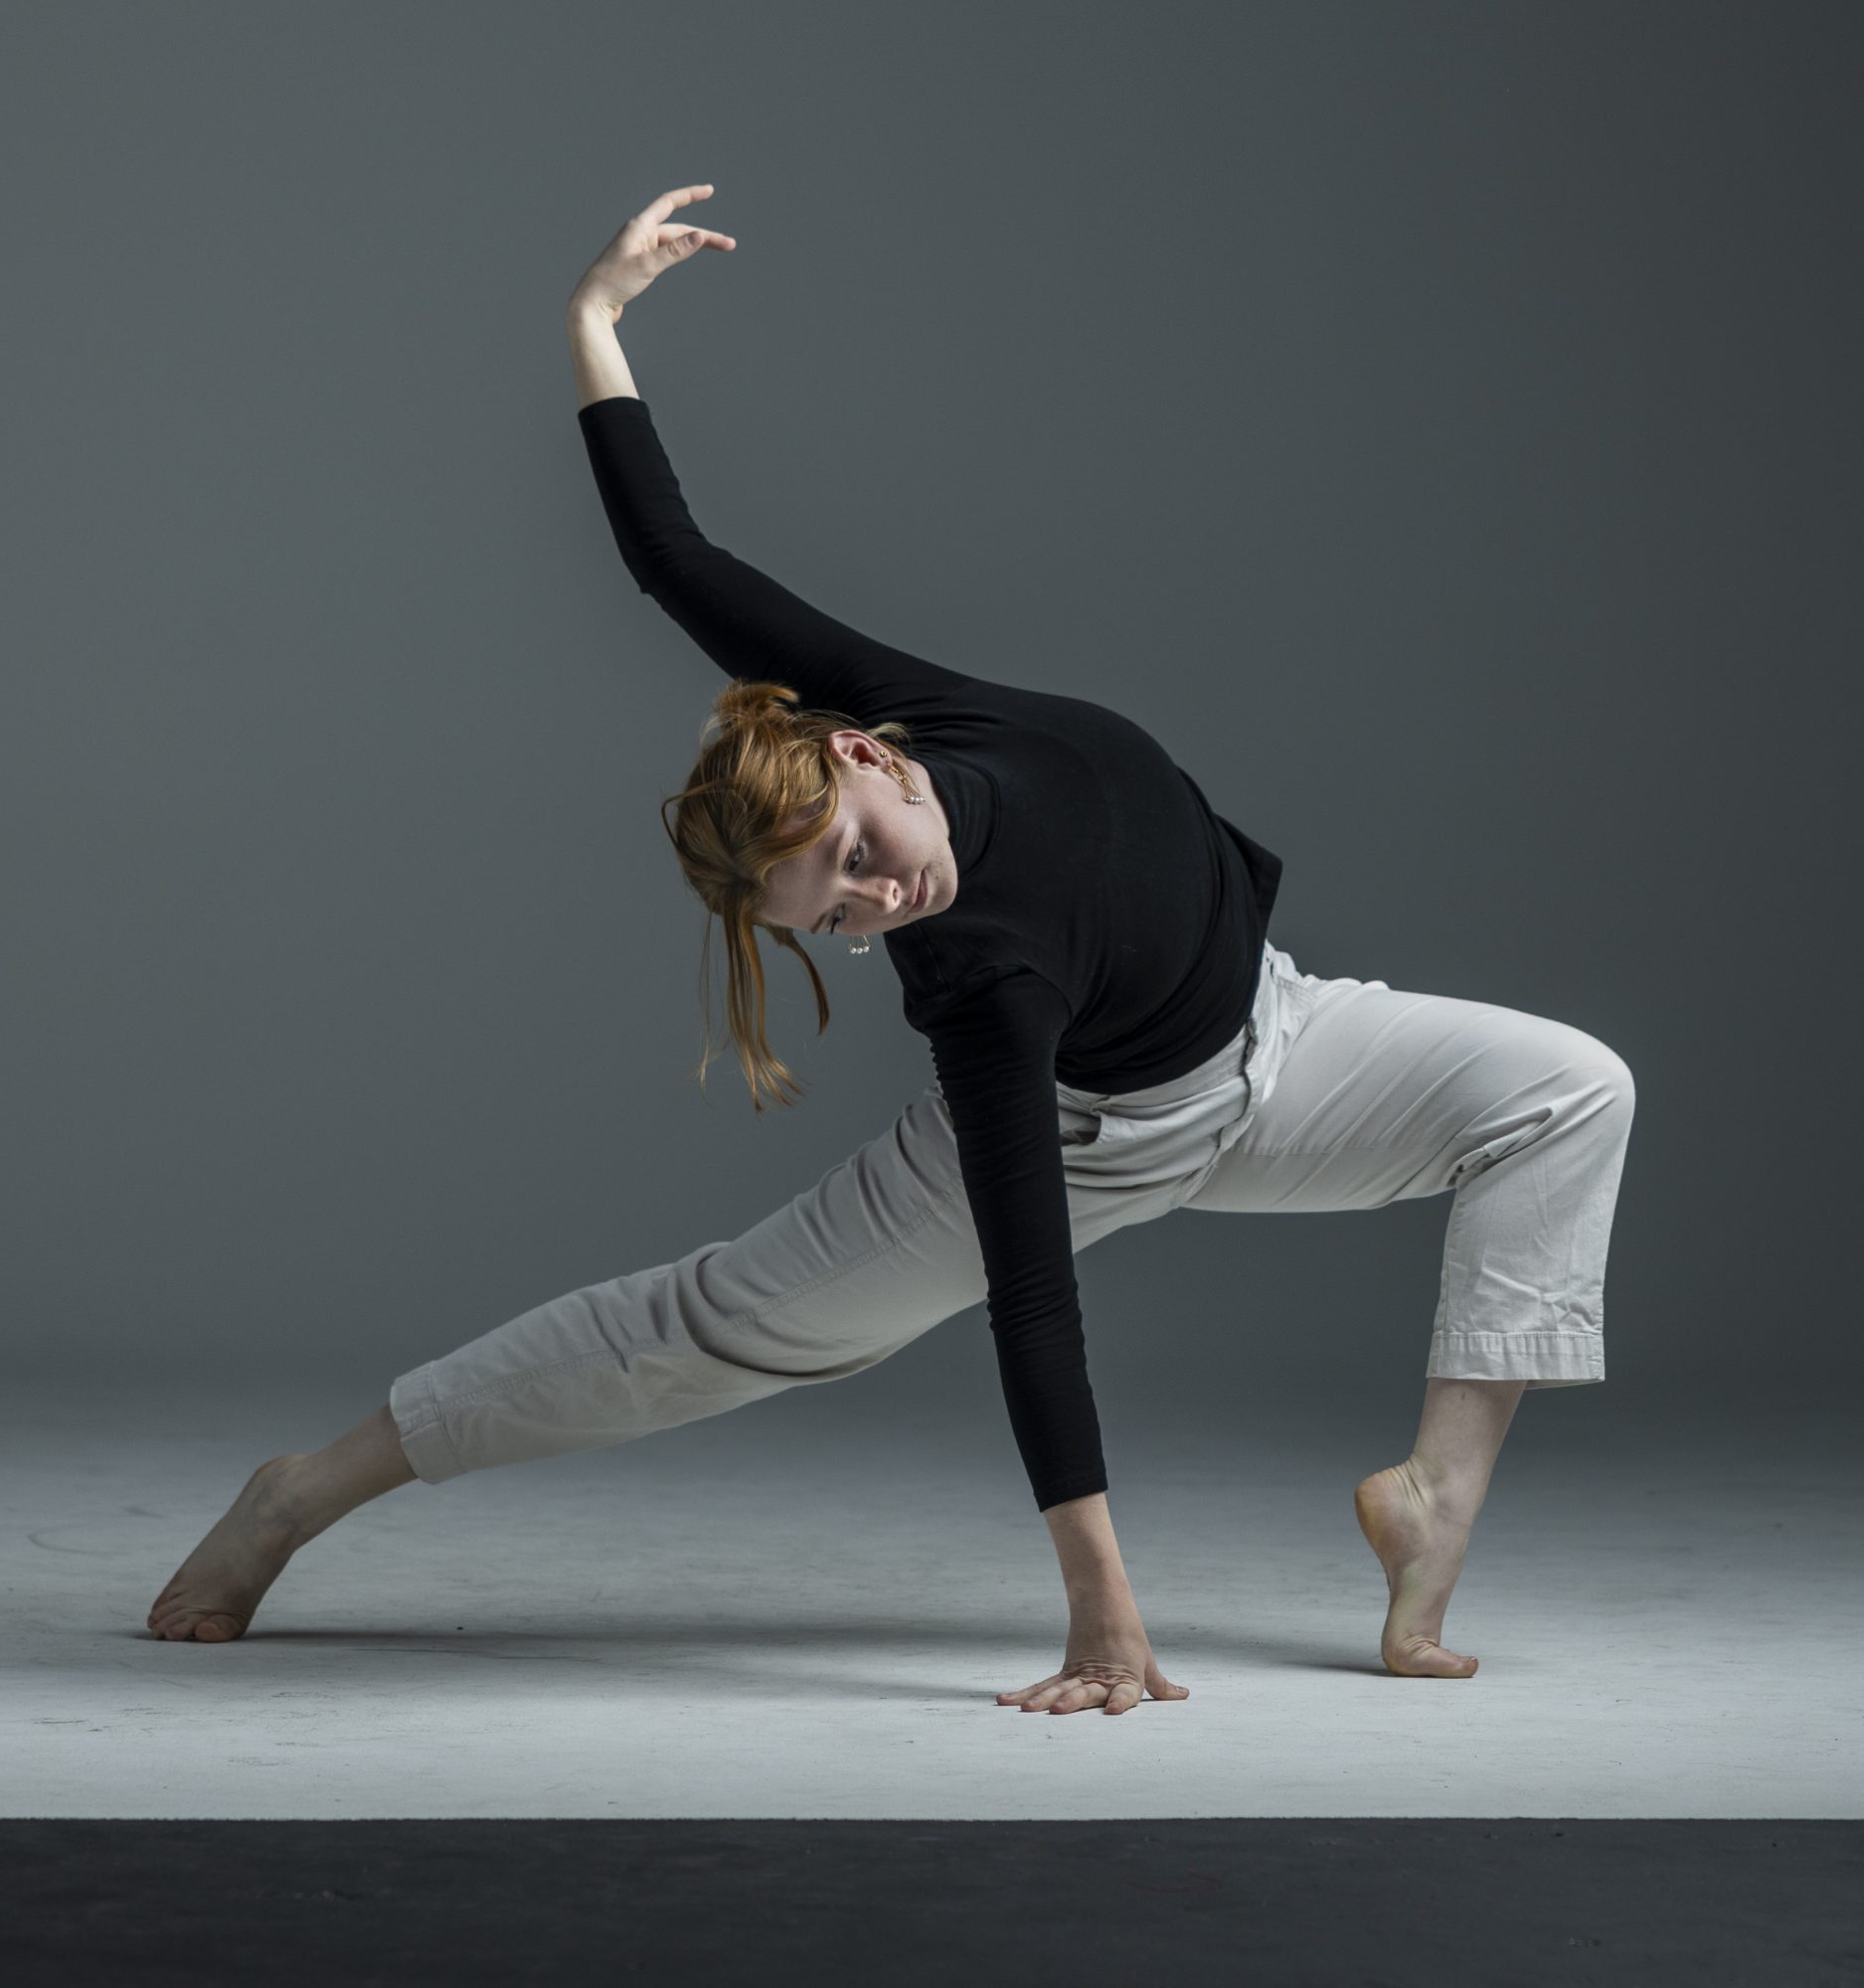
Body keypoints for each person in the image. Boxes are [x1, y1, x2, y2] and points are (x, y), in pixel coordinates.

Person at [148, 185, 1638, 1715]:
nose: (876, 905)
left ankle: (1434, 1503)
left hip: (1282, 1038)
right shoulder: (984, 981)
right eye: (835, 921)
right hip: (1091, 1133)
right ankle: (303, 1491)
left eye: (858, 860)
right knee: (701, 1333)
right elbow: (1034, 1299)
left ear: (871, 753)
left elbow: (675, 557)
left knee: (1571, 1090)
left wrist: (593, 320)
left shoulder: (905, 698)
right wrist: (1104, 1618)